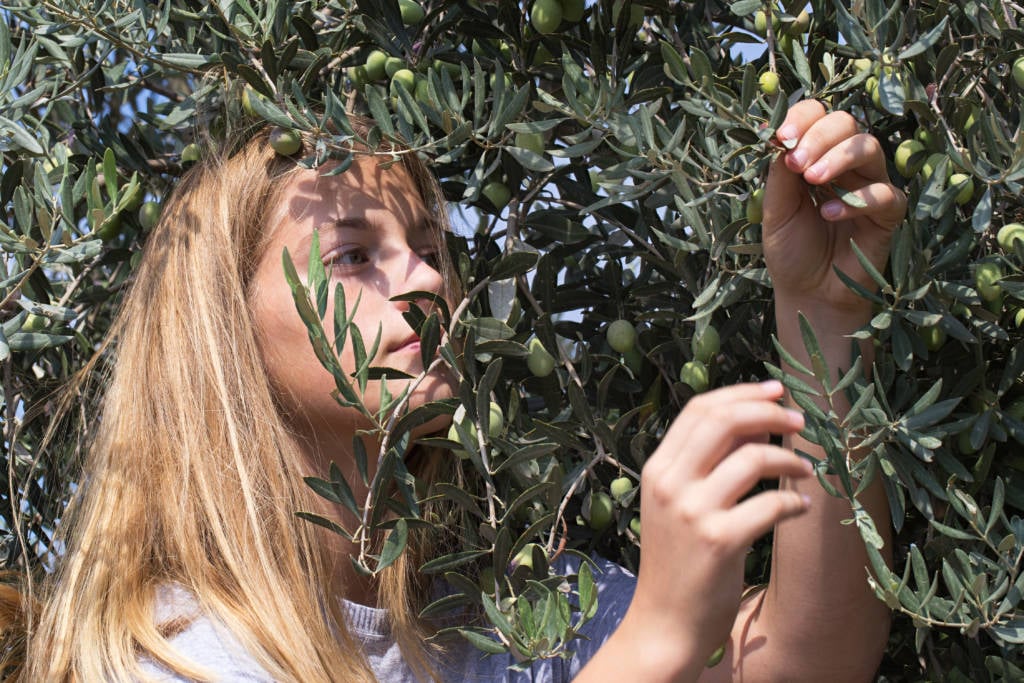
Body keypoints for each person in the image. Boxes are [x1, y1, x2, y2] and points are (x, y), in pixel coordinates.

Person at [0, 99, 906, 682]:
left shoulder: (514, 613)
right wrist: (654, 642)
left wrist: (825, 314)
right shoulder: (166, 660)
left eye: (431, 248)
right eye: (357, 255)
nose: (429, 282)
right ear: (224, 328)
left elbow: (808, 659)